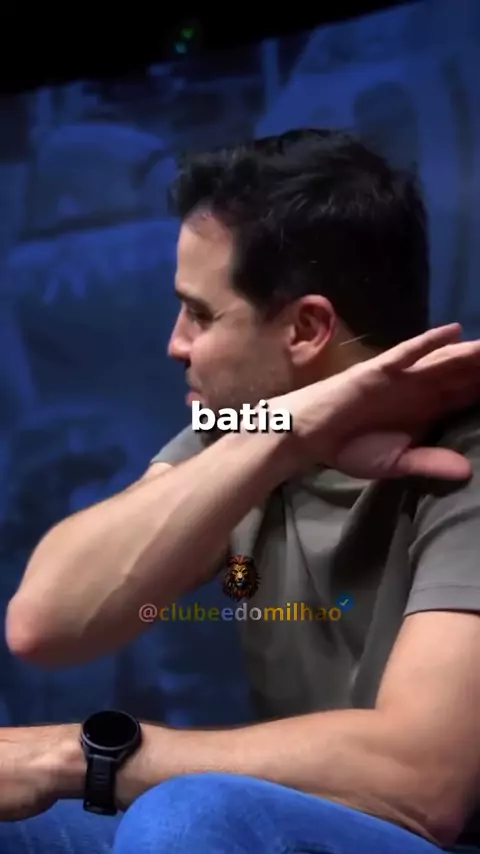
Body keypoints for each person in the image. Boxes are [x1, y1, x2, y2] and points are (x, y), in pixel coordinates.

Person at [3, 129, 480, 854]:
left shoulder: (466, 452)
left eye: (200, 314)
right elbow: (45, 624)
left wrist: (75, 757)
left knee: (191, 818)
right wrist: (286, 434)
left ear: (307, 328)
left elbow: (422, 782)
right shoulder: (245, 430)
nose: (175, 343)